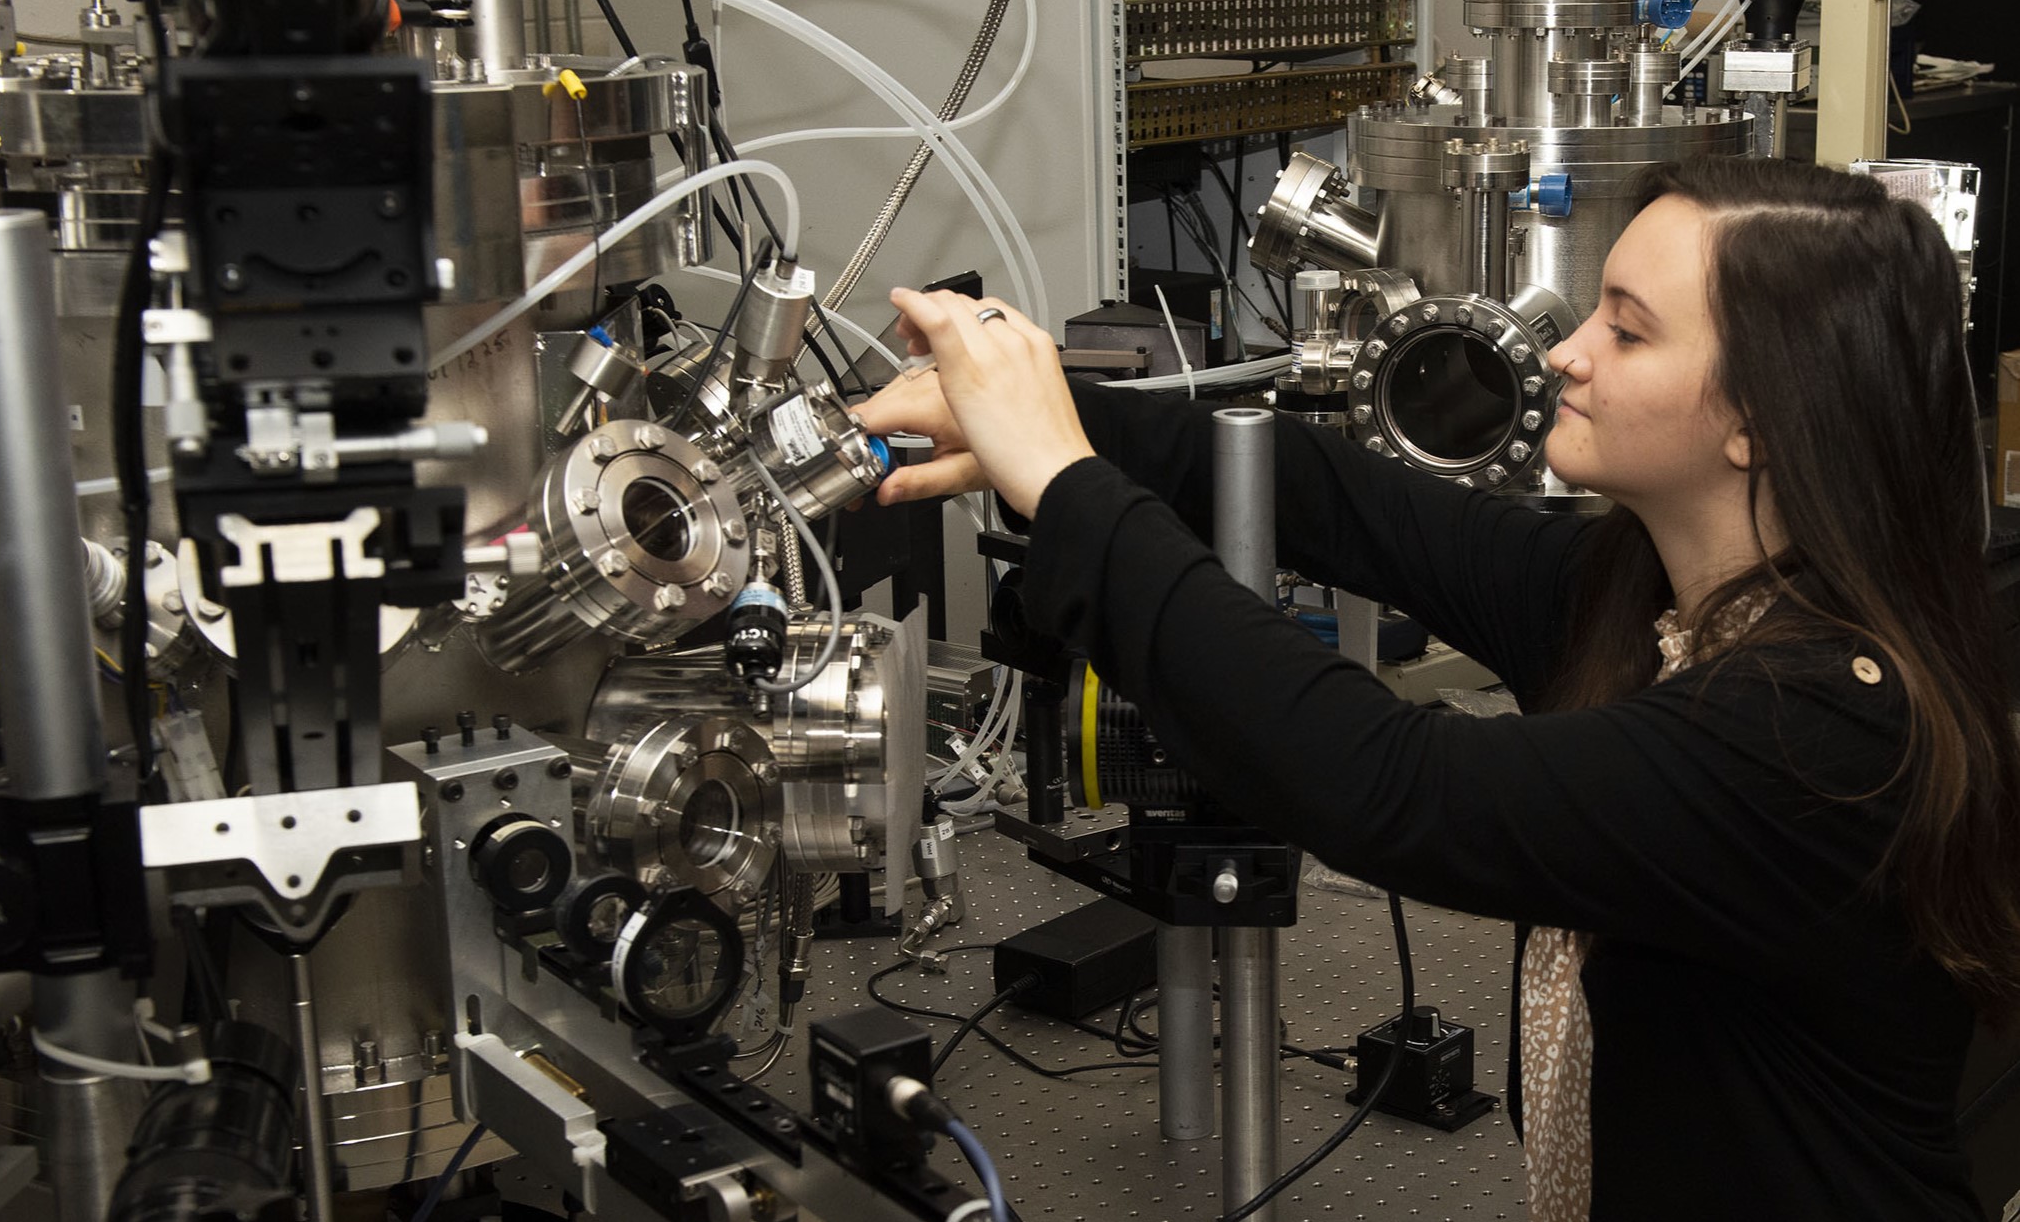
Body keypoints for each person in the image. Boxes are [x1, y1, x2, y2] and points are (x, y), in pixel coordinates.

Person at [855, 155, 2020, 1222]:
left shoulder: (1822, 730)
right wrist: (1049, 428)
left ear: (1762, 421)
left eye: (1628, 328)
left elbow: (1391, 785)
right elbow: (1342, 499)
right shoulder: (1642, 597)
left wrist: (1066, 485)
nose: (1568, 350)